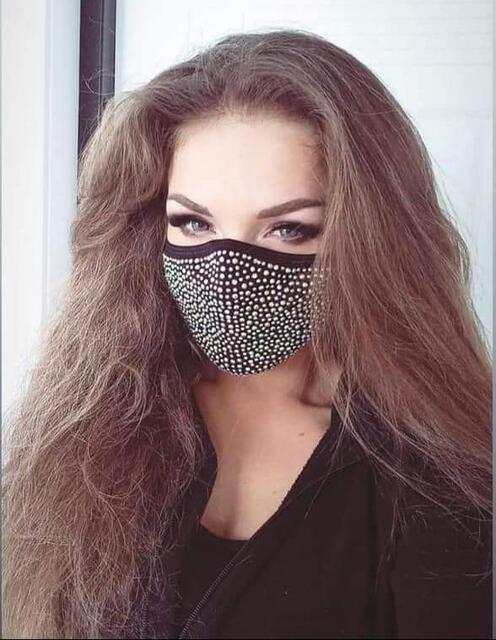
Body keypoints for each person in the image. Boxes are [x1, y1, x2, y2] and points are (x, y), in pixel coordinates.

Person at [2, 28, 491, 640]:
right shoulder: (90, 419)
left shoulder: (432, 471)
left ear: (369, 240)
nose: (228, 272)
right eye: (192, 222)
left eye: (289, 229)